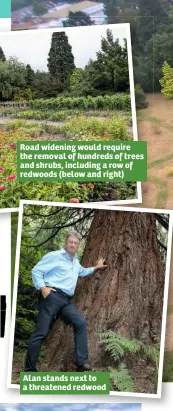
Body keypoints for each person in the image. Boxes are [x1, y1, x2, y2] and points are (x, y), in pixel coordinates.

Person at [24, 231, 107, 372]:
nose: (73, 244)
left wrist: (96, 268)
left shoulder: (75, 261)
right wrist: (43, 288)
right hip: (51, 297)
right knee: (41, 332)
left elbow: (82, 272)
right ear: (66, 242)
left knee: (80, 322)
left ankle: (82, 363)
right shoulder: (55, 256)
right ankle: (29, 370)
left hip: (65, 301)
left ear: (78, 245)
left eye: (75, 243)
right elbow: (36, 271)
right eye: (71, 242)